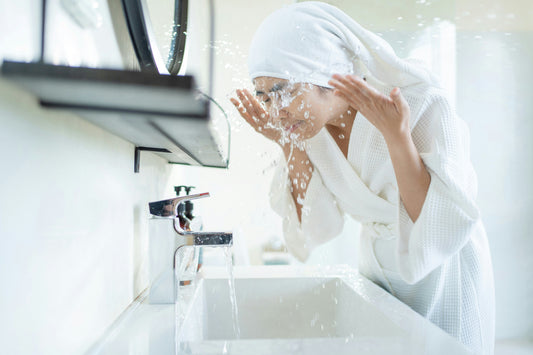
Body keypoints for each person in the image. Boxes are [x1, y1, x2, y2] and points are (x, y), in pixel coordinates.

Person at [230, 2, 494, 354]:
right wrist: (286, 144)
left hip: (444, 276)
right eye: (264, 98)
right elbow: (319, 229)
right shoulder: (310, 132)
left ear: (328, 75)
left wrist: (396, 137)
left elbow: (436, 225)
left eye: (283, 91)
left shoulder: (421, 102)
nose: (275, 113)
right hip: (379, 272)